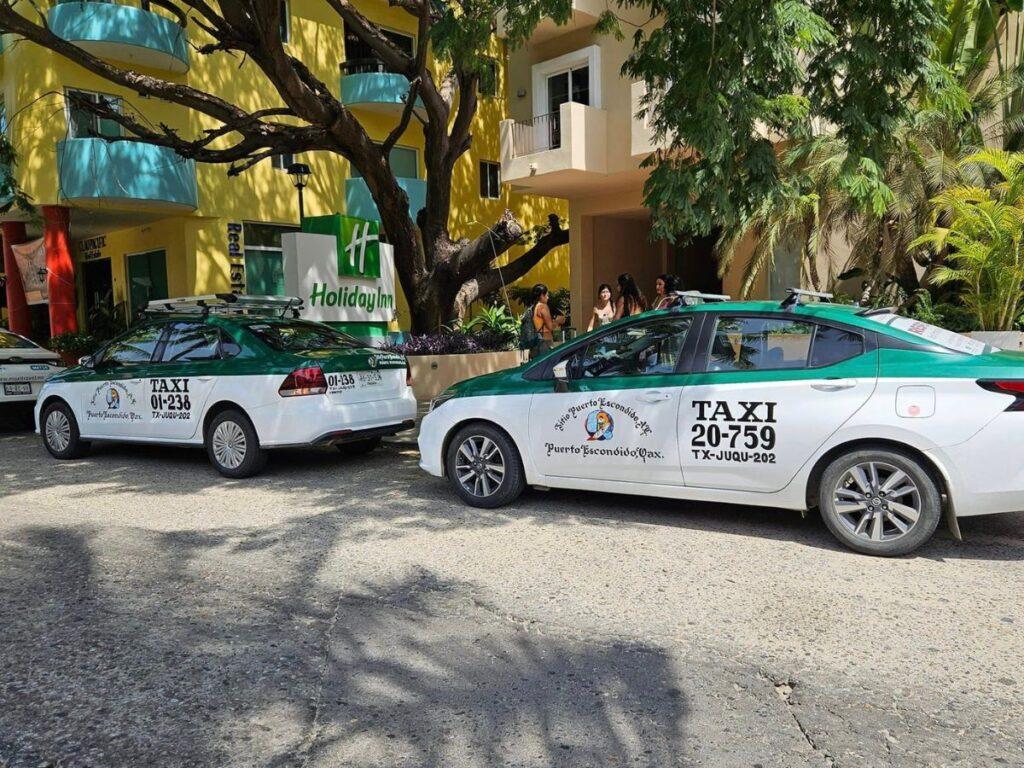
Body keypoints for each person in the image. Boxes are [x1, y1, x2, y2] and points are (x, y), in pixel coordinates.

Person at [525, 283, 564, 359]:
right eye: (547, 295)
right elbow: (550, 327)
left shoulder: (533, 307)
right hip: (544, 342)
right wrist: (558, 320)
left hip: (535, 343)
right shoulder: (543, 307)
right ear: (542, 295)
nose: (548, 297)